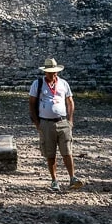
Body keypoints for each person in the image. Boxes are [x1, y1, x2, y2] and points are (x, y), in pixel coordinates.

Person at [29, 57, 84, 192]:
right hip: (46, 123)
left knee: (67, 151)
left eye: (53, 72)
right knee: (50, 153)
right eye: (49, 72)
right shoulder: (38, 84)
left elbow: (70, 101)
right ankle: (54, 180)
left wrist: (70, 120)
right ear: (45, 72)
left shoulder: (64, 84)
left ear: (57, 72)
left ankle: (72, 177)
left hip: (62, 121)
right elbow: (31, 103)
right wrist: (37, 123)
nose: (51, 74)